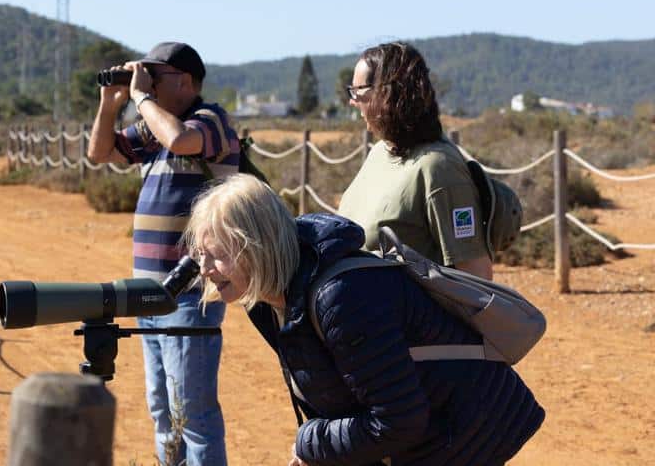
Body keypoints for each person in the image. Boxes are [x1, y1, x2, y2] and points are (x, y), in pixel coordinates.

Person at [185, 174, 544, 466]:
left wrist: (312, 442)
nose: (204, 270)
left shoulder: (341, 298)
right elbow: (338, 393)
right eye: (200, 255)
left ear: (256, 247)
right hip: (426, 435)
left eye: (216, 255)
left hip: (465, 433)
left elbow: (398, 419)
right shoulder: (264, 301)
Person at [88, 41, 238, 466]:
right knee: (162, 412)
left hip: (191, 294)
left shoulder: (211, 121)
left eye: (157, 75)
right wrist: (109, 103)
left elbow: (180, 139)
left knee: (193, 414)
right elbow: (99, 153)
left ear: (185, 81)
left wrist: (139, 98)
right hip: (148, 293)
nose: (148, 82)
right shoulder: (155, 125)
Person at [338, 42, 493, 279]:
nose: (352, 101)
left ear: (386, 93)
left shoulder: (439, 168)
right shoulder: (379, 152)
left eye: (358, 91)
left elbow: (477, 278)